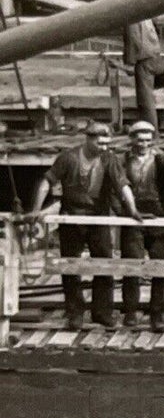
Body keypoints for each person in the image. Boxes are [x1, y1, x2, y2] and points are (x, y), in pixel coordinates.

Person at [30, 121, 137, 330]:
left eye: (107, 143)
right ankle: (75, 313)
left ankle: (102, 312)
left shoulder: (109, 159)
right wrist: (36, 209)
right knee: (70, 267)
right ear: (88, 139)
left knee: (104, 265)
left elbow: (122, 185)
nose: (104, 147)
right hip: (71, 219)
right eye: (100, 143)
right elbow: (46, 182)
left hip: (98, 220)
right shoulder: (68, 158)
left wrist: (132, 209)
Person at [113, 119, 164, 330]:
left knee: (160, 266)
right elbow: (115, 186)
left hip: (158, 216)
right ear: (131, 140)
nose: (144, 144)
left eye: (148, 140)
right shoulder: (120, 160)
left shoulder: (163, 160)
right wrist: (122, 211)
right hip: (132, 215)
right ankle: (130, 311)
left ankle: (157, 314)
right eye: (139, 140)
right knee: (132, 265)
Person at [110, 0, 164, 130]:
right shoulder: (143, 8)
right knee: (148, 95)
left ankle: (150, 132)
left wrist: (127, 63)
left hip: (145, 61)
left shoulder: (129, 12)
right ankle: (153, 129)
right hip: (158, 57)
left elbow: (132, 37)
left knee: (145, 102)